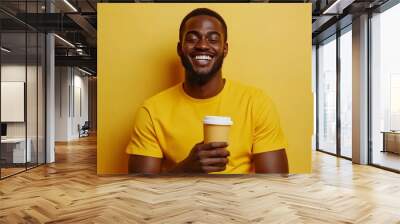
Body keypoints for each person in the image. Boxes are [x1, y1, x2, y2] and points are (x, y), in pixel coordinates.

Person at [126, 8, 288, 174]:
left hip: (240, 199)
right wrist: (186, 170)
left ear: (225, 49)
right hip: (179, 200)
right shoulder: (152, 111)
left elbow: (274, 183)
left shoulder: (256, 103)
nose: (202, 45)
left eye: (213, 39)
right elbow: (141, 189)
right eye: (192, 38)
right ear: (180, 49)